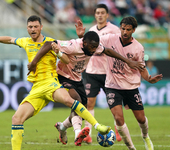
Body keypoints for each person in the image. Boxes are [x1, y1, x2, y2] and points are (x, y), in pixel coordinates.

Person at [0, 15, 111, 150]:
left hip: (51, 84)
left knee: (71, 101)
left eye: (36, 26)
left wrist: (58, 53)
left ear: (41, 27)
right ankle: (64, 128)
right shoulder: (25, 42)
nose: (33, 29)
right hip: (36, 89)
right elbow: (9, 39)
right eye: (30, 27)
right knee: (16, 119)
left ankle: (97, 126)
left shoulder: (51, 42)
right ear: (27, 28)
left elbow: (66, 60)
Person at [27, 30, 145, 146]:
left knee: (82, 110)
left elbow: (108, 51)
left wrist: (128, 61)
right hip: (63, 77)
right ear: (84, 43)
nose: (94, 50)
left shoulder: (94, 46)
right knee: (76, 101)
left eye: (95, 47)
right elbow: (48, 44)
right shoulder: (72, 45)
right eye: (92, 47)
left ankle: (62, 126)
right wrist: (34, 62)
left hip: (77, 79)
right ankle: (78, 133)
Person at [81, 16, 162, 150]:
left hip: (131, 86)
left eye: (128, 29)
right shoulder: (110, 38)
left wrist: (148, 78)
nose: (125, 32)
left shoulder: (138, 48)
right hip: (112, 86)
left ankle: (145, 136)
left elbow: (141, 68)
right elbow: (94, 41)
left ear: (133, 30)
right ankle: (131, 148)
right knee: (118, 118)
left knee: (141, 119)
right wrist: (82, 36)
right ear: (120, 28)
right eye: (123, 29)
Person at [76, 3, 122, 143]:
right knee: (89, 103)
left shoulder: (114, 30)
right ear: (95, 15)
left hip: (108, 72)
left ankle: (118, 130)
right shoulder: (91, 30)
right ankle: (87, 132)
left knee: (113, 103)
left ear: (107, 15)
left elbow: (118, 48)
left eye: (103, 13)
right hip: (91, 72)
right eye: (98, 13)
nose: (100, 15)